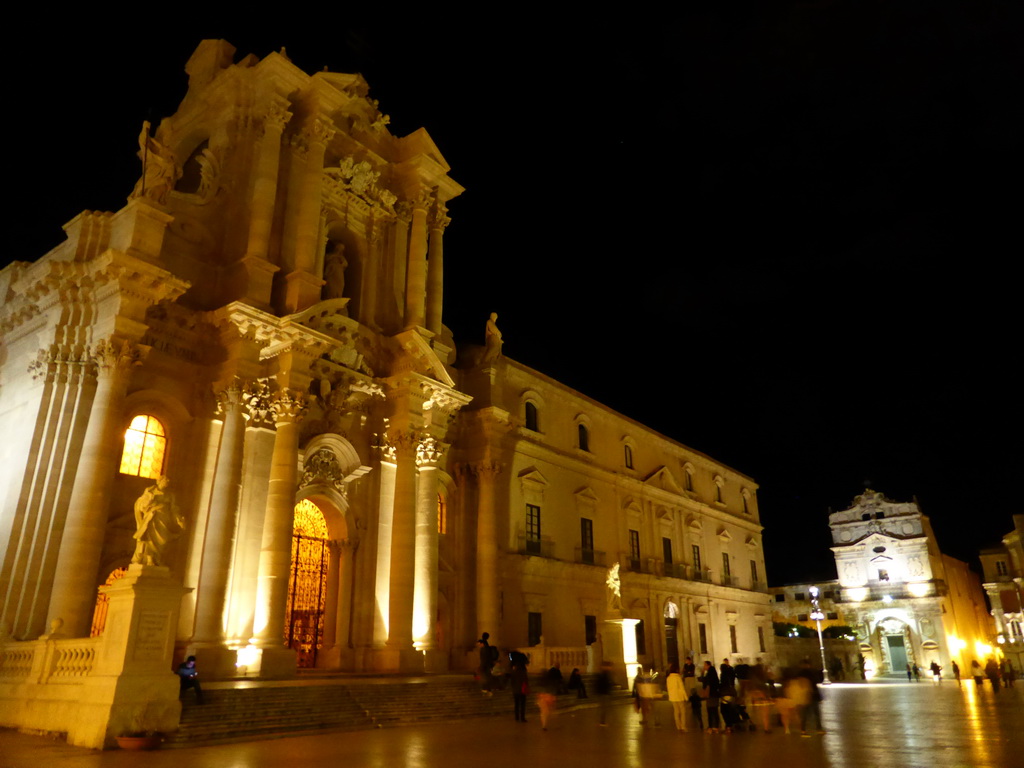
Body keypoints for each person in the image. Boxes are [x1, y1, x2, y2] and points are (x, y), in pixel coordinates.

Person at [132, 476, 185, 567]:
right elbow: (141, 504)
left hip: (164, 519)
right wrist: (150, 501)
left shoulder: (170, 495)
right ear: (159, 481)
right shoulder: (150, 491)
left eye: (168, 480)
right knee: (150, 539)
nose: (168, 481)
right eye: (166, 479)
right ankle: (150, 559)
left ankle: (157, 559)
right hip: (152, 518)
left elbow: (174, 509)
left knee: (163, 541)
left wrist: (178, 519)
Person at [797, 659, 825, 736]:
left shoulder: (800, 674)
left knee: (805, 714)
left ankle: (803, 730)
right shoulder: (811, 673)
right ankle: (818, 728)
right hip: (811, 695)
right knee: (815, 713)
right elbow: (817, 682)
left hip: (806, 696)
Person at [665, 662, 687, 732]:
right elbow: (682, 688)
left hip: (673, 697)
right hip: (680, 696)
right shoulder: (678, 677)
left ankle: (678, 726)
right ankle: (683, 726)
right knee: (682, 712)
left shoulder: (668, 678)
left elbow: (668, 688)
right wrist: (686, 697)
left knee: (676, 712)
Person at [701, 660, 721, 734]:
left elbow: (704, 682)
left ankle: (710, 727)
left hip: (710, 695)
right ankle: (716, 727)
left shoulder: (708, 674)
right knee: (715, 711)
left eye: (705, 665)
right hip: (715, 694)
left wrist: (702, 673)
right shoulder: (714, 673)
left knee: (710, 711)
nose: (704, 666)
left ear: (707, 665)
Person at [510, 652, 529, 722]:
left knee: (516, 704)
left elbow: (512, 681)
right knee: (522, 704)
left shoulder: (513, 671)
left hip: (515, 690)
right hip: (522, 690)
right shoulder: (523, 671)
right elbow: (525, 680)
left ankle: (517, 717)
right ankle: (522, 717)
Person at [595, 660, 614, 726]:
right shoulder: (604, 674)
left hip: (604, 693)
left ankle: (602, 721)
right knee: (603, 708)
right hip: (603, 693)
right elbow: (602, 684)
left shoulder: (604, 674)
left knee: (604, 708)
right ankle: (602, 721)